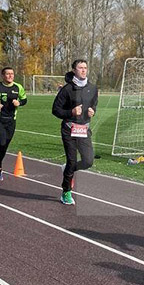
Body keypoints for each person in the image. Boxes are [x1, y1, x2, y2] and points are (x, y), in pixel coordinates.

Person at [52, 59, 98, 205]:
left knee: (88, 161)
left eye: (85, 67)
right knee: (72, 160)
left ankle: (67, 169)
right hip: (69, 129)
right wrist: (71, 112)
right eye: (80, 68)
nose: (83, 70)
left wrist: (93, 111)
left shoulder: (92, 88)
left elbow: (93, 104)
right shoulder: (67, 89)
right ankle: (66, 192)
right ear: (74, 70)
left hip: (84, 129)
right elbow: (55, 110)